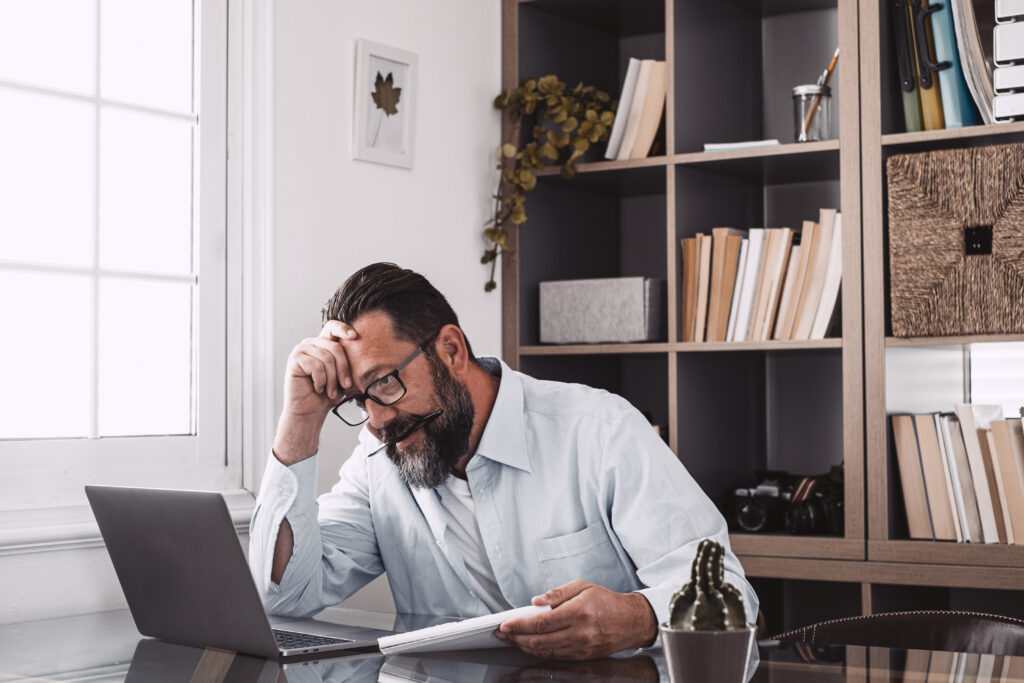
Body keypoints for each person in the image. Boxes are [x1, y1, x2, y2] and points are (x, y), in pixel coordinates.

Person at [249, 262, 758, 660]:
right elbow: (285, 597)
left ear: (450, 349)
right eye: (361, 399)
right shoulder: (381, 458)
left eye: (385, 382)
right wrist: (300, 420)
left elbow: (731, 595)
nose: (378, 419)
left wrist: (638, 615)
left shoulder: (598, 431)